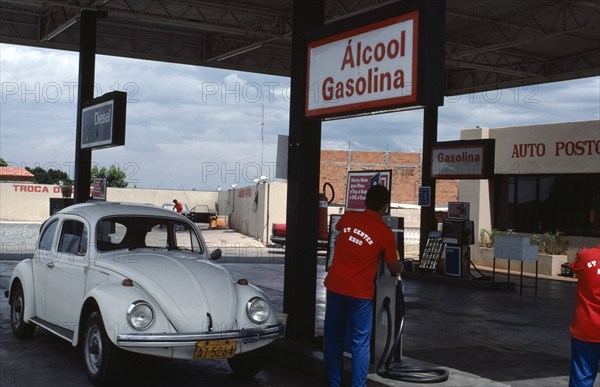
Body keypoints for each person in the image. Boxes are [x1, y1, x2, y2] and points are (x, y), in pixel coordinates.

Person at [323, 184, 404, 387]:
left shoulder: (348, 217)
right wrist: (403, 265)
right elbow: (393, 265)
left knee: (333, 339)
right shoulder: (384, 233)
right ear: (385, 206)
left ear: (366, 201)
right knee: (360, 344)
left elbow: (338, 227)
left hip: (335, 288)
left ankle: (334, 383)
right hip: (359, 295)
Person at [569, 244, 600, 387]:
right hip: (586, 329)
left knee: (582, 376)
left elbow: (574, 268)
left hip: (586, 328)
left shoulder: (585, 256)